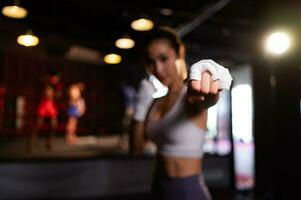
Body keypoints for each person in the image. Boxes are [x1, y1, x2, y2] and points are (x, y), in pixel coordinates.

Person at [129, 27, 232, 200]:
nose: (158, 69)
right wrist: (139, 110)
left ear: (180, 53)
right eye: (151, 62)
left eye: (163, 58)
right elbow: (135, 149)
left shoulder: (190, 95)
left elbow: (207, 98)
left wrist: (210, 72)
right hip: (158, 186)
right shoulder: (155, 102)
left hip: (187, 190)